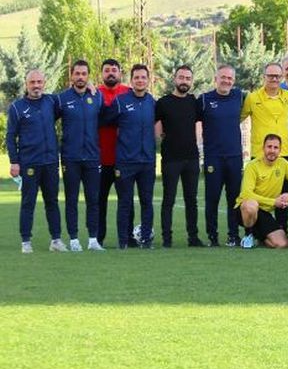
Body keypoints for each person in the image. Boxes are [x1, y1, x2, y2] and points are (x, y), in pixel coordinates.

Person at [101, 64, 157, 249]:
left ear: (148, 80)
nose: (140, 80)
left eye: (143, 77)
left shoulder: (152, 102)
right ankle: (123, 241)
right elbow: (102, 118)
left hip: (147, 161)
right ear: (131, 81)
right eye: (137, 77)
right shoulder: (120, 101)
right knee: (125, 203)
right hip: (125, 162)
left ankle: (146, 239)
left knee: (146, 202)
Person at [7, 70, 64, 254]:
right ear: (26, 84)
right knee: (28, 203)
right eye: (32, 82)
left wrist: (89, 85)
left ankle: (56, 240)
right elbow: (10, 136)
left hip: (50, 163)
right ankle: (26, 242)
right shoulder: (17, 107)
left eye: (39, 82)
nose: (36, 85)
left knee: (52, 202)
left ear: (44, 83)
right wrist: (14, 162)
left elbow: (72, 96)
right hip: (29, 163)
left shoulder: (50, 102)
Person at [56, 61, 104, 251]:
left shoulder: (96, 96)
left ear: (88, 76)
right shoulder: (61, 99)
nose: (80, 77)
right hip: (70, 157)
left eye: (84, 74)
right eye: (77, 73)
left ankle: (93, 240)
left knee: (93, 199)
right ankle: (74, 239)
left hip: (92, 157)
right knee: (72, 199)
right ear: (72, 76)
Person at [198, 64, 245, 247]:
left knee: (234, 199)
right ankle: (212, 236)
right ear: (215, 79)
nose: (226, 81)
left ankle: (233, 235)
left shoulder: (239, 96)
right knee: (212, 198)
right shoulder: (204, 100)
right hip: (213, 158)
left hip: (234, 157)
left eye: (230, 78)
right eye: (223, 77)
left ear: (233, 81)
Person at [155, 65, 202, 247]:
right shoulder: (163, 102)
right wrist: (160, 138)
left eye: (188, 78)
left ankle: (193, 237)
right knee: (169, 200)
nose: (184, 81)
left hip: (191, 158)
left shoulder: (193, 102)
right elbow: (157, 126)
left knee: (192, 200)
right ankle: (167, 239)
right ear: (174, 79)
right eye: (181, 77)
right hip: (170, 159)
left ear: (191, 81)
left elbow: (199, 123)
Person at [235, 134, 288, 249]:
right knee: (251, 205)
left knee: (282, 244)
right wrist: (274, 202)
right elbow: (246, 193)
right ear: (263, 148)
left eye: (275, 147)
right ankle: (248, 234)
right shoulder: (253, 166)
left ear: (280, 150)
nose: (272, 150)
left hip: (264, 213)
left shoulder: (283, 164)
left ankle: (259, 237)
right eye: (269, 147)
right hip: (245, 210)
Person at [96, 58, 132, 247]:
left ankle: (127, 238)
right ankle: (98, 239)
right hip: (101, 158)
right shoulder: (94, 93)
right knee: (99, 201)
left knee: (126, 202)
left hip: (124, 158)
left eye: (114, 70)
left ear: (120, 73)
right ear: (102, 74)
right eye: (107, 70)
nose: (111, 73)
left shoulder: (129, 93)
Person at [241, 62, 288, 160]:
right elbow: (238, 119)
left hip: (284, 151)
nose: (274, 79)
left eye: (277, 76)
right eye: (270, 76)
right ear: (264, 77)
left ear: (282, 78)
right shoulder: (252, 98)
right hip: (260, 153)